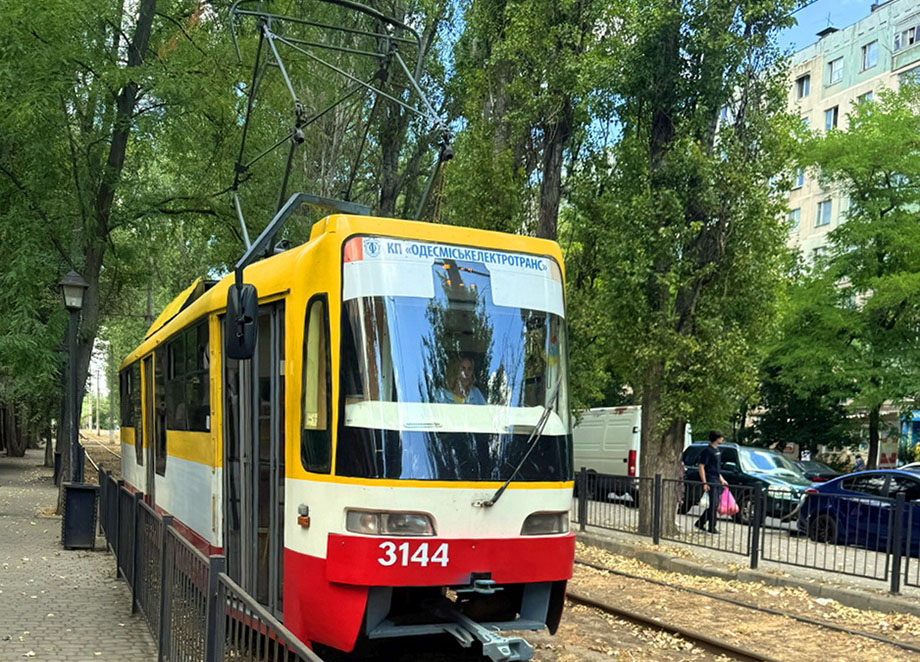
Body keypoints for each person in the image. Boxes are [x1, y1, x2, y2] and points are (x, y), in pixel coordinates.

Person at [695, 431, 729, 534]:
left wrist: (722, 479)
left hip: (716, 479)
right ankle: (711, 526)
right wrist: (705, 482)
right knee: (714, 503)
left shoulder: (717, 450)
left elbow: (716, 468)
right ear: (716, 438)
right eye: (721, 437)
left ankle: (701, 522)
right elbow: (701, 466)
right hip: (710, 479)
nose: (722, 439)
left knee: (715, 504)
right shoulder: (707, 451)